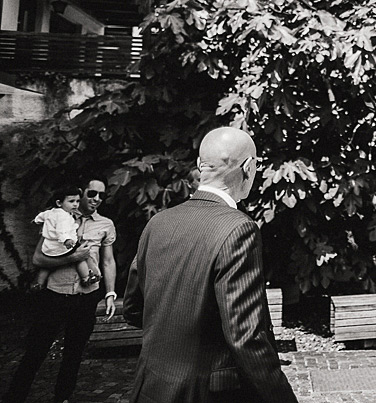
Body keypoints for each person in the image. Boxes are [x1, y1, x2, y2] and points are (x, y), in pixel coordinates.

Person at [124, 126, 296, 403]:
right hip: (206, 393)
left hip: (151, 387)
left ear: (200, 166)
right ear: (249, 167)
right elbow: (246, 336)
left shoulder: (158, 222)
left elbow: (133, 309)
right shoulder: (238, 228)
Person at [2, 179, 117, 403]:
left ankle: (62, 397)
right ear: (81, 193)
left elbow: (109, 261)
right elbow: (37, 258)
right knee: (36, 351)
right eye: (92, 193)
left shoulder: (105, 224)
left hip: (86, 297)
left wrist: (110, 293)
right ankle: (14, 397)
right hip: (55, 295)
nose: (96, 199)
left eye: (102, 196)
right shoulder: (58, 218)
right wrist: (73, 257)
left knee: (73, 354)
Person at [32, 185, 101, 289]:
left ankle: (39, 283)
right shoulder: (63, 216)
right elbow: (62, 230)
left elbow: (42, 216)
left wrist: (36, 220)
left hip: (49, 247)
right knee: (81, 258)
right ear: (59, 203)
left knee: (46, 267)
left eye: (77, 201)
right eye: (71, 201)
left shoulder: (51, 212)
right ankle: (86, 277)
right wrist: (67, 240)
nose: (75, 205)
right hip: (62, 246)